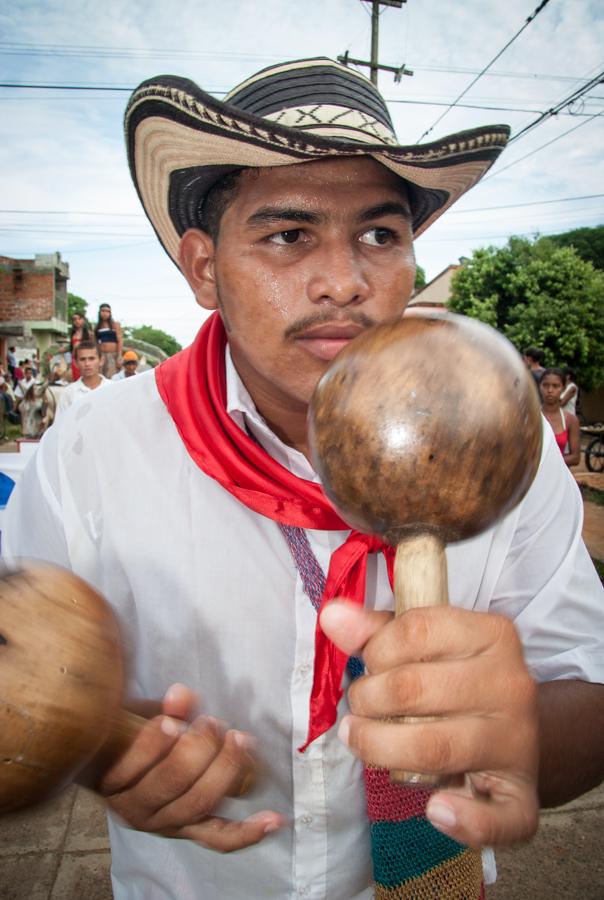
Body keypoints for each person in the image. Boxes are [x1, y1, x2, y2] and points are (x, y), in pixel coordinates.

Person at [4, 58, 604, 900]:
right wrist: (107, 752)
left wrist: (521, 740)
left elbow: (589, 686)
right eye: (289, 236)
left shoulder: (506, 438)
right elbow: (19, 665)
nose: (346, 282)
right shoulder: (96, 449)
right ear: (204, 268)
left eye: (380, 235)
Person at [56, 341, 112, 416]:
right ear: (76, 363)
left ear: (101, 361)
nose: (87, 364)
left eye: (91, 359)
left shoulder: (112, 388)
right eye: (82, 359)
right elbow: (61, 425)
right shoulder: (68, 393)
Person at [539, 367, 581, 467]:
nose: (550, 390)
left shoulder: (570, 420)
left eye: (555, 386)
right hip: (533, 478)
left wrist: (547, 463)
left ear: (563, 388)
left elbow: (575, 457)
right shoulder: (531, 417)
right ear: (539, 386)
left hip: (559, 477)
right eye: (545, 385)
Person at [95, 302, 123, 378]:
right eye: (103, 311)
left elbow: (120, 340)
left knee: (112, 376)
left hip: (112, 355)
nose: (105, 313)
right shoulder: (97, 326)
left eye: (107, 311)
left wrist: (119, 356)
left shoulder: (115, 324)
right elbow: (96, 342)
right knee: (101, 376)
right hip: (102, 355)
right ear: (99, 312)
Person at [69, 312, 92, 381]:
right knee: (76, 380)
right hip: (74, 360)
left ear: (83, 320)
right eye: (74, 319)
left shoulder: (89, 334)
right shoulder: (73, 334)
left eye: (79, 319)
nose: (77, 321)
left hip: (84, 359)